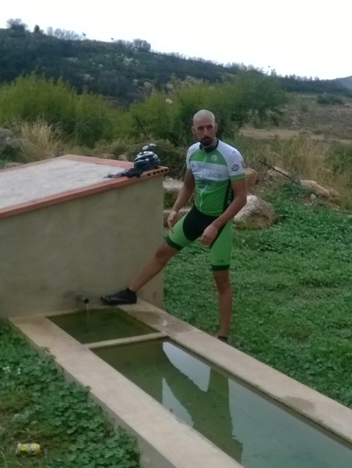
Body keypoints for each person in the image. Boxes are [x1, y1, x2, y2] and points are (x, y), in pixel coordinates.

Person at [101, 109, 248, 343]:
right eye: (200, 128)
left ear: (216, 127)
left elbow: (241, 198)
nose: (206, 132)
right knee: (162, 252)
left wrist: (216, 225)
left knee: (221, 279)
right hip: (197, 215)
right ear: (193, 130)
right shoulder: (192, 152)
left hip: (220, 222)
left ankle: (223, 336)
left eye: (209, 127)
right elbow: (188, 185)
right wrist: (176, 209)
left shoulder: (230, 155)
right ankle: (129, 293)